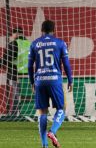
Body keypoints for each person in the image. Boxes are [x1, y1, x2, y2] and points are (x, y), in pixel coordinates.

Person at [28, 20, 73, 148]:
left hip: (40, 81)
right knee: (61, 109)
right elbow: (66, 64)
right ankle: (52, 132)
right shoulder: (60, 43)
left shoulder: (34, 44)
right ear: (54, 30)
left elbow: (30, 66)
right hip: (55, 80)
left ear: (41, 30)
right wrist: (70, 80)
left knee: (42, 113)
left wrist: (32, 82)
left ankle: (44, 145)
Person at [0, 27, 30, 115]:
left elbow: (5, 60)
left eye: (12, 35)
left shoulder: (14, 44)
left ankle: (14, 114)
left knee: (16, 96)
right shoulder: (30, 44)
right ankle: (27, 113)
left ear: (15, 34)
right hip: (28, 75)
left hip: (16, 74)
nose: (12, 37)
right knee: (26, 97)